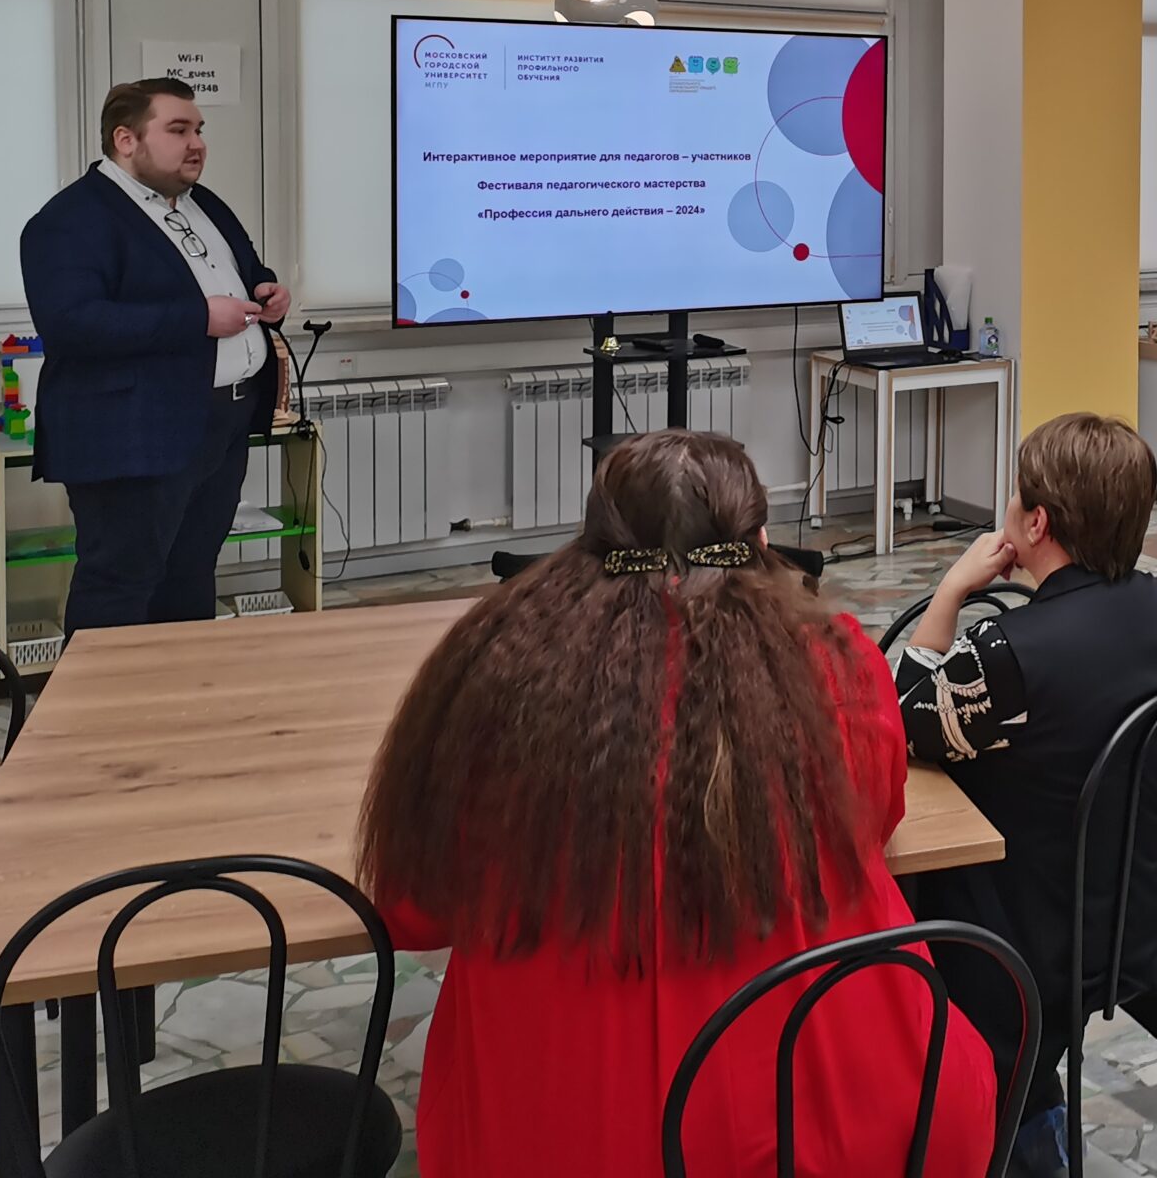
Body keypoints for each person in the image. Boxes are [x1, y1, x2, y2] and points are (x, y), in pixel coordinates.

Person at [358, 430, 996, 1178]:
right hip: (845, 1124)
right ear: (761, 543)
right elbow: (878, 816)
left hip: (563, 1138)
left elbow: (414, 910)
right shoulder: (840, 661)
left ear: (588, 548)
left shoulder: (495, 680)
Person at [896, 412, 1157, 1178]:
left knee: (897, 885)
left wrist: (953, 588)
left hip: (1025, 939)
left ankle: (985, 1124)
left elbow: (902, 718)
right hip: (1142, 918)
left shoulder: (1012, 655)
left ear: (1035, 524)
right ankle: (1034, 1124)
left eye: (1016, 497)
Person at [18, 78, 289, 632]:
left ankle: (179, 686)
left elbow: (240, 271)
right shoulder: (70, 219)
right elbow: (71, 324)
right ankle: (99, 692)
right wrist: (198, 320)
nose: (198, 144)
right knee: (121, 583)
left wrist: (266, 291)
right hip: (132, 432)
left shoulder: (203, 203)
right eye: (178, 130)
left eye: (199, 130)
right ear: (126, 140)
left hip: (220, 424)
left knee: (191, 573)